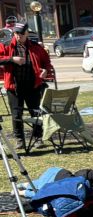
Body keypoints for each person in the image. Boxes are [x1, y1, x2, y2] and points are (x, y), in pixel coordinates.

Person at [0, 21, 56, 153]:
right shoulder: (6, 45)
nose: (18, 36)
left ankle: (38, 138)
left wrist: (45, 70)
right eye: (16, 33)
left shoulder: (35, 47)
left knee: (35, 112)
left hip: (32, 85)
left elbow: (46, 61)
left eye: (21, 34)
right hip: (14, 87)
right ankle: (19, 139)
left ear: (27, 34)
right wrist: (12, 59)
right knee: (16, 114)